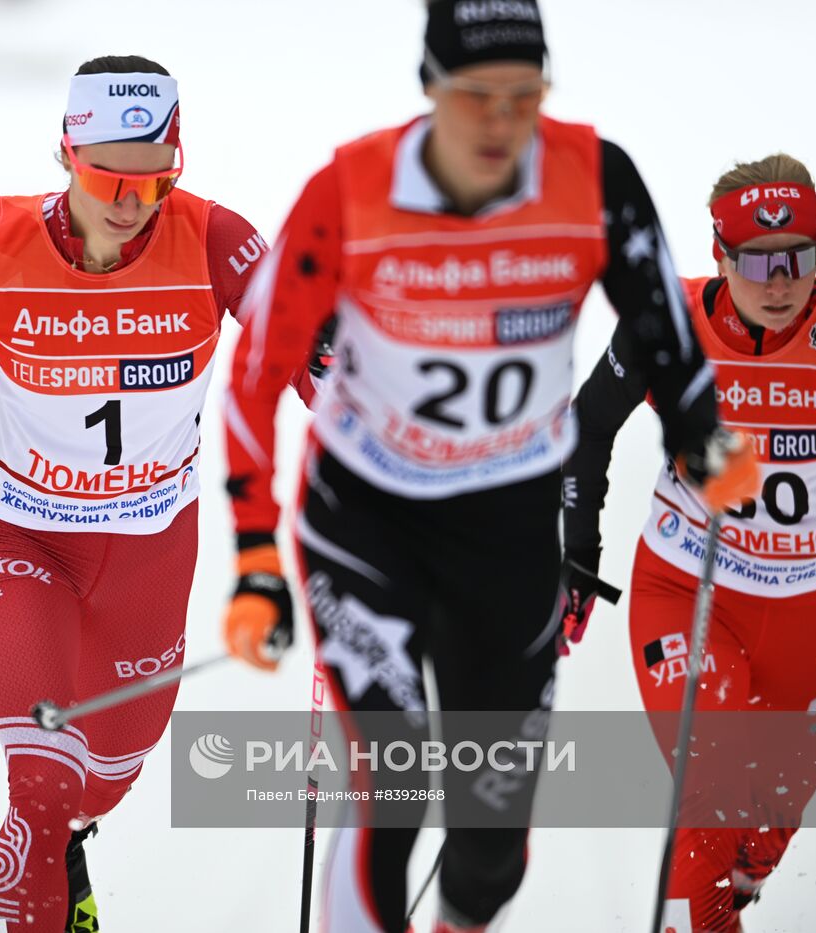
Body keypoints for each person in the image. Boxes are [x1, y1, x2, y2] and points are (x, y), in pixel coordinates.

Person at [217, 1, 759, 930]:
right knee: (394, 776)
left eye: (527, 96)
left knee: (491, 838)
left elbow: (663, 322)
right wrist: (257, 553)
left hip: (508, 527)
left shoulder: (594, 177)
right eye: (478, 97)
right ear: (430, 89)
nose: (504, 123)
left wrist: (699, 431)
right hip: (367, 519)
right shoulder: (349, 189)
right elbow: (255, 376)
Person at [0, 55, 314, 932]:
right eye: (110, 176)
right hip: (24, 541)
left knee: (101, 781)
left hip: (150, 556)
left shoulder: (214, 242)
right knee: (45, 779)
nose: (133, 201)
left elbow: (314, 361)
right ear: (67, 152)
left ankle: (51, 856)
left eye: (156, 177)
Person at [563, 153, 816, 932]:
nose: (778, 281)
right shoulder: (671, 324)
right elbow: (587, 425)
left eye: (797, 258)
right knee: (712, 787)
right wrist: (575, 554)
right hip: (691, 591)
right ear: (719, 256)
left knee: (755, 844)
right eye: (757, 261)